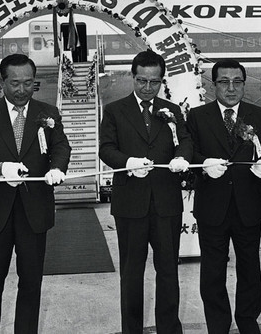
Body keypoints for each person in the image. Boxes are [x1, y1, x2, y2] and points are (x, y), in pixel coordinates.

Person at [0, 54, 71, 334]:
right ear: (1, 82)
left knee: (31, 282)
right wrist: (0, 168)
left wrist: (57, 168)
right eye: (15, 83)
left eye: (28, 83)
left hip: (34, 210)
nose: (22, 90)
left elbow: (61, 146)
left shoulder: (48, 112)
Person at [99, 50, 193, 334]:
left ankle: (169, 329)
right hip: (130, 203)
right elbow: (106, 148)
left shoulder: (172, 110)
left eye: (154, 82)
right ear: (133, 77)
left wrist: (182, 157)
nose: (148, 87)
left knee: (168, 271)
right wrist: (127, 163)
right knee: (131, 273)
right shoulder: (115, 110)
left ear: (162, 80)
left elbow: (185, 140)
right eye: (142, 81)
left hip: (166, 203)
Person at [186, 59, 261, 334]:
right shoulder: (198, 116)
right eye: (224, 82)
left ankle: (248, 322)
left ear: (244, 84)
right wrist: (203, 165)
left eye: (237, 82)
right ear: (213, 85)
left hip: (248, 205)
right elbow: (190, 151)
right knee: (212, 271)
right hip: (212, 206)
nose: (231, 88)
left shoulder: (258, 114)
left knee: (250, 268)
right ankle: (218, 326)